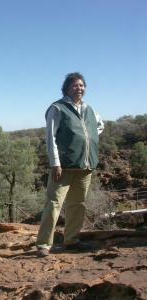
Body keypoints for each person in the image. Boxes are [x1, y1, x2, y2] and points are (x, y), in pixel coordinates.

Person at [36, 72, 104, 257]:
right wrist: (55, 163)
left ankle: (71, 240)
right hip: (64, 167)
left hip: (85, 165)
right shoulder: (57, 108)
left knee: (78, 204)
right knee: (53, 203)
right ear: (66, 88)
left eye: (82, 85)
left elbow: (99, 126)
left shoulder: (89, 109)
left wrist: (89, 137)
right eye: (75, 85)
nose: (79, 88)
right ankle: (44, 244)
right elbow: (50, 138)